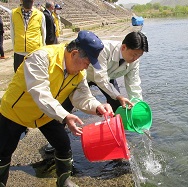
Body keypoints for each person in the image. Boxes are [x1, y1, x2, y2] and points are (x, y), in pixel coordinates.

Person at [0, 30, 113, 187]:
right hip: (16, 111)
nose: (85, 69)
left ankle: (63, 180)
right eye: (86, 64)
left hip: (46, 114)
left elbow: (83, 97)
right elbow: (40, 93)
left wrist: (98, 107)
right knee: (3, 153)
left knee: (63, 144)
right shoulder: (41, 57)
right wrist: (65, 116)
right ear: (74, 54)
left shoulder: (79, 74)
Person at [87, 31, 149, 112]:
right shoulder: (103, 49)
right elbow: (101, 78)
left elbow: (133, 83)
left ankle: (117, 122)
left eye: (139, 56)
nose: (136, 59)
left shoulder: (135, 61)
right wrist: (119, 96)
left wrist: (137, 105)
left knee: (118, 105)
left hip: (108, 77)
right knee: (69, 103)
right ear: (123, 47)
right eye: (134, 54)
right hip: (87, 75)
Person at [10, 0, 46, 72]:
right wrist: (16, 48)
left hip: (34, 52)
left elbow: (43, 33)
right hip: (19, 53)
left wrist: (42, 50)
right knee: (19, 79)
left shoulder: (40, 15)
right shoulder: (13, 13)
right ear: (21, 1)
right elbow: (12, 32)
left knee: (34, 79)